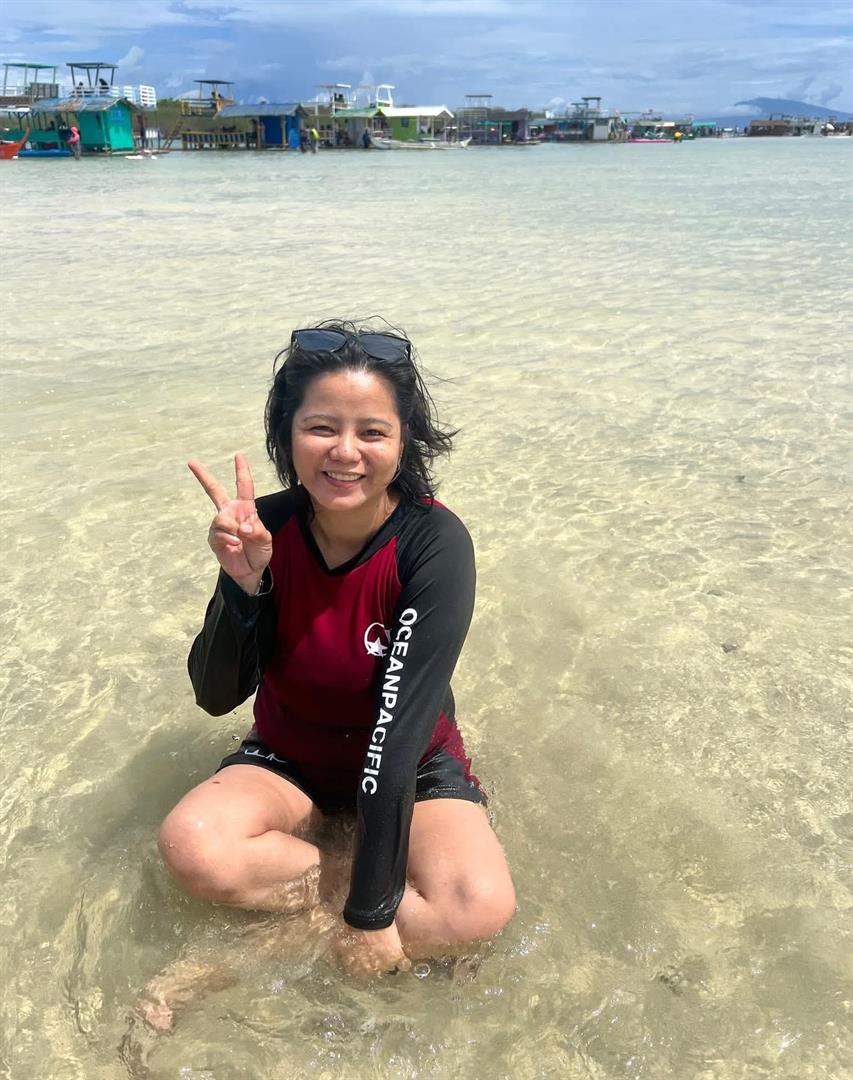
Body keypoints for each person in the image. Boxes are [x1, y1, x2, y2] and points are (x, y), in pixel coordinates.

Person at [159, 322, 515, 979]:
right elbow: (215, 696)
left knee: (477, 908)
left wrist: (370, 916)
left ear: (403, 441)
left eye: (372, 432)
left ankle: (266, 939)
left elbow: (398, 739)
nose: (345, 452)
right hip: (290, 757)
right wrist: (243, 586)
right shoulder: (263, 527)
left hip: (411, 765)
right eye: (321, 427)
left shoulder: (433, 545)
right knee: (192, 845)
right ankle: (360, 871)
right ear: (287, 432)